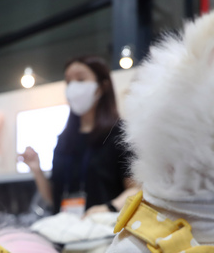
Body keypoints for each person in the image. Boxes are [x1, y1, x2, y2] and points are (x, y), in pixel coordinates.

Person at [20, 55, 137, 217]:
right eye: (68, 82)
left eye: (81, 79)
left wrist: (109, 208)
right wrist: (36, 169)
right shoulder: (64, 140)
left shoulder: (119, 134)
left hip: (105, 232)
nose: (73, 87)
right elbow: (54, 198)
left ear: (102, 87)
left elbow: (136, 189)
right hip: (63, 232)